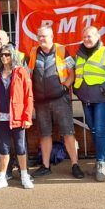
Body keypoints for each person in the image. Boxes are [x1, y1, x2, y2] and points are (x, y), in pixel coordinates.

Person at [29, 26, 84, 179]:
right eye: (39, 36)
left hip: (60, 99)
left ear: (52, 36)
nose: (41, 39)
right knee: (45, 134)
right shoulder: (33, 52)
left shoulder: (62, 50)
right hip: (41, 102)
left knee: (68, 132)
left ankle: (75, 165)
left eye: (44, 36)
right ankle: (46, 166)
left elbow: (73, 73)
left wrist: (64, 87)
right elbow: (29, 74)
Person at [73, 26, 105, 182]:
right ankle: (99, 161)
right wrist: (76, 90)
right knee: (93, 130)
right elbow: (77, 74)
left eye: (89, 36)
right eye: (84, 36)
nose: (86, 39)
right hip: (86, 99)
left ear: (97, 36)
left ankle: (101, 163)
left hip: (101, 99)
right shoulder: (78, 55)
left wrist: (103, 88)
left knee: (100, 130)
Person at [0, 44, 35, 190]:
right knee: (4, 146)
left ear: (12, 55)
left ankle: (24, 175)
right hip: (1, 117)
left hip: (18, 116)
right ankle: (2, 177)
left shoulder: (21, 72)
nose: (4, 57)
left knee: (20, 146)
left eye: (7, 54)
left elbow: (28, 95)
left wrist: (27, 116)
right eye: (1, 55)